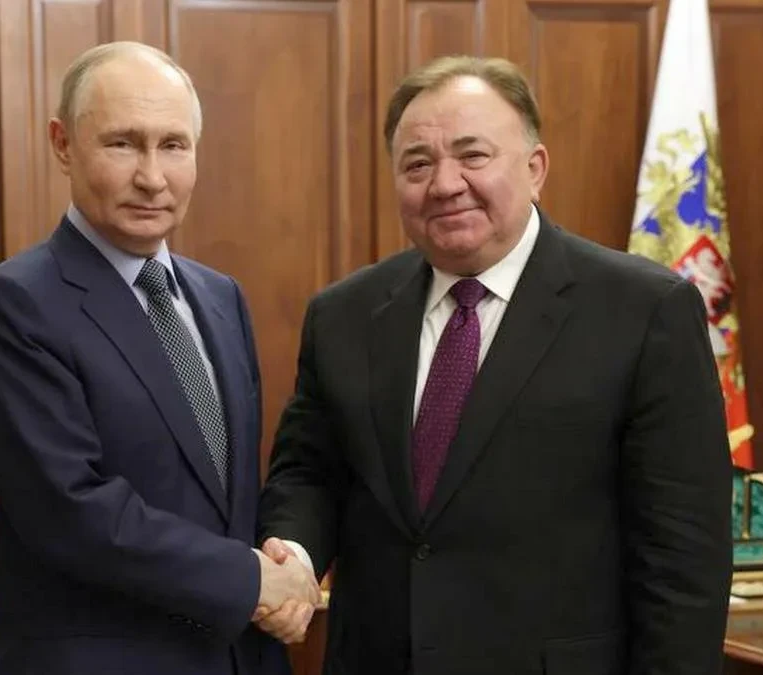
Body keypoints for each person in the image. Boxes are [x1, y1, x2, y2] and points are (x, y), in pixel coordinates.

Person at [256, 55, 733, 674]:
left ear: (535, 169)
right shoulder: (343, 315)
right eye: (417, 164)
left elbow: (683, 558)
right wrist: (293, 555)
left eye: (473, 155)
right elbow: (309, 473)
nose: (445, 184)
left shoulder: (644, 311)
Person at [0, 41, 319, 675]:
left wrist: (284, 563)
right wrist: (252, 580)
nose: (153, 177)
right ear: (63, 144)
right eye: (123, 144)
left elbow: (226, 497)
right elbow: (70, 512)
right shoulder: (13, 307)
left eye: (173, 145)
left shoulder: (220, 298)